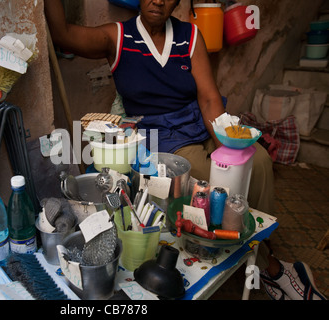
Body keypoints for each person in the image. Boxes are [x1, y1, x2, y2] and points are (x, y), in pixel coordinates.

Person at [45, 0, 326, 300]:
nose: (158, 0)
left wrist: (230, 152)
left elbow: (208, 99)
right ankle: (267, 265)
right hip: (162, 137)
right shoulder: (117, 37)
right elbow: (63, 35)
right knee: (208, 179)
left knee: (257, 161)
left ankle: (256, 252)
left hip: (201, 124)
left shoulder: (189, 37)